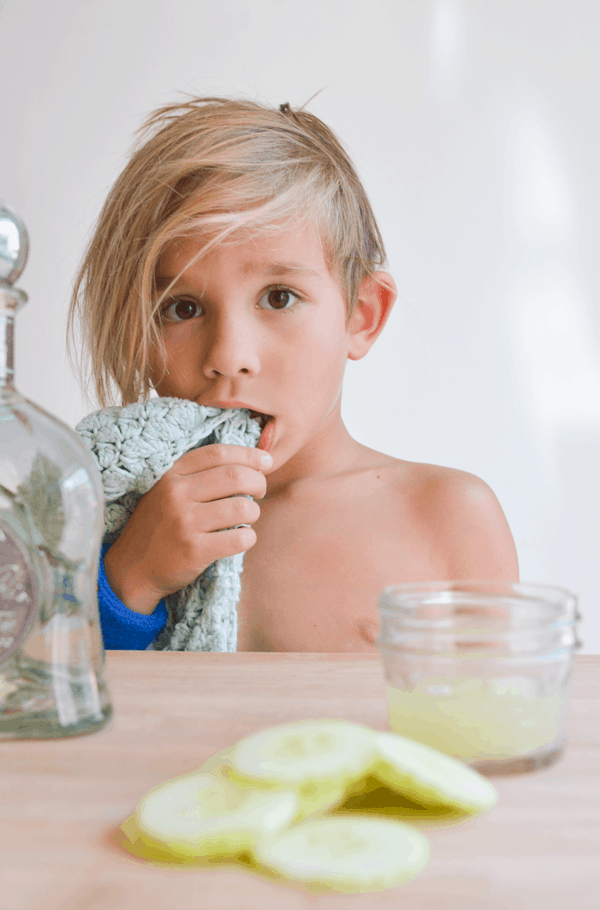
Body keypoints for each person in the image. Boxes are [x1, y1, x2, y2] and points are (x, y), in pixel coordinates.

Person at [68, 96, 519, 652]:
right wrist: (130, 580)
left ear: (361, 315)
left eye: (278, 298)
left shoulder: (446, 517)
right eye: (182, 308)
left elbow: (500, 728)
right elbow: (51, 707)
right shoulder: (92, 519)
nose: (229, 356)